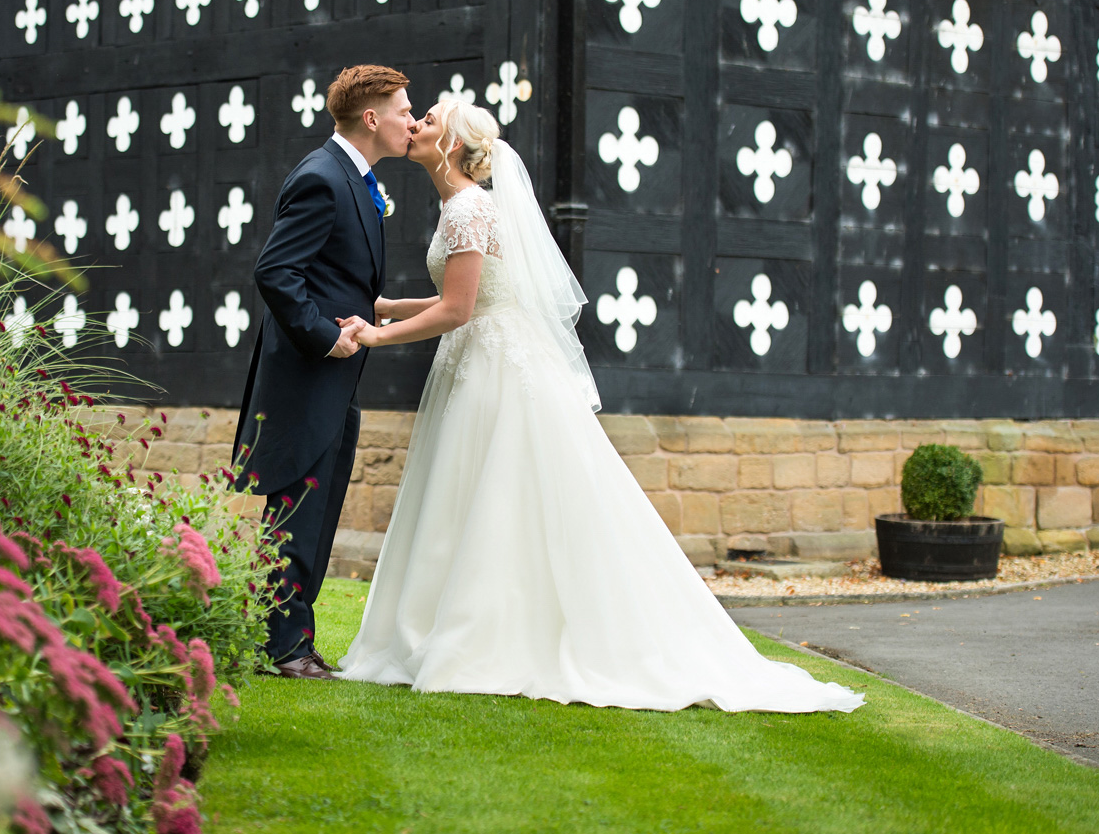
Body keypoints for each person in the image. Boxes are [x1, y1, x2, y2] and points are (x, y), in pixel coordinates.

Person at [334, 99, 865, 713]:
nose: (418, 124)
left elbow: (457, 310)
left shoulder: (470, 208)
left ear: (451, 142)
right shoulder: (464, 206)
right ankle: (478, 622)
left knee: (496, 493)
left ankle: (489, 636)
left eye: (429, 118)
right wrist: (389, 306)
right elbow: (467, 296)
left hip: (495, 368)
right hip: (483, 357)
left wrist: (376, 335)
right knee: (488, 497)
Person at [232, 65, 417, 680]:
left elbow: (336, 274)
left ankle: (291, 640)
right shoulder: (322, 177)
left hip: (336, 380)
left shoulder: (354, 178)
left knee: (315, 509)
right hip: (311, 373)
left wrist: (371, 313)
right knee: (296, 510)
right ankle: (280, 647)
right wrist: (326, 336)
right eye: (402, 109)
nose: (410, 120)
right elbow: (275, 272)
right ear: (371, 118)